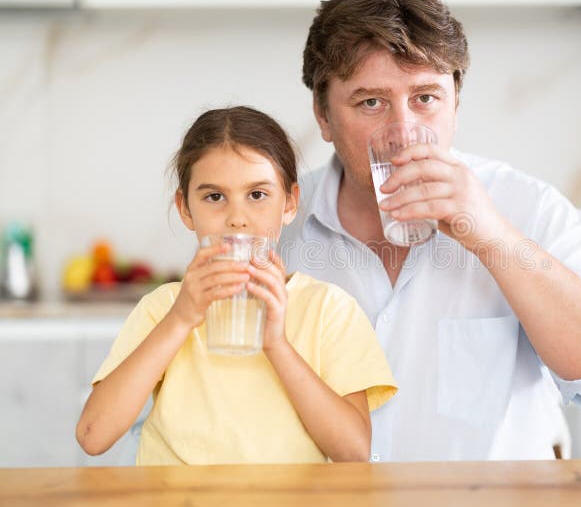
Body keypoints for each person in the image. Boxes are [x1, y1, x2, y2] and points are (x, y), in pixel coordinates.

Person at [280, 0, 581, 461]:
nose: (402, 133)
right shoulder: (271, 227)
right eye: (371, 103)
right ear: (322, 115)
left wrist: (491, 236)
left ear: (455, 104)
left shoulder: (527, 208)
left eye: (425, 98)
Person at [76, 106, 397, 465]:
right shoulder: (163, 308)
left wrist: (277, 344)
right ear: (185, 209)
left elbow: (354, 452)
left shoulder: (328, 309)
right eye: (214, 197)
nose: (237, 219)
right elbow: (94, 436)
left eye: (257, 195)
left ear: (290, 203)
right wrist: (180, 319)